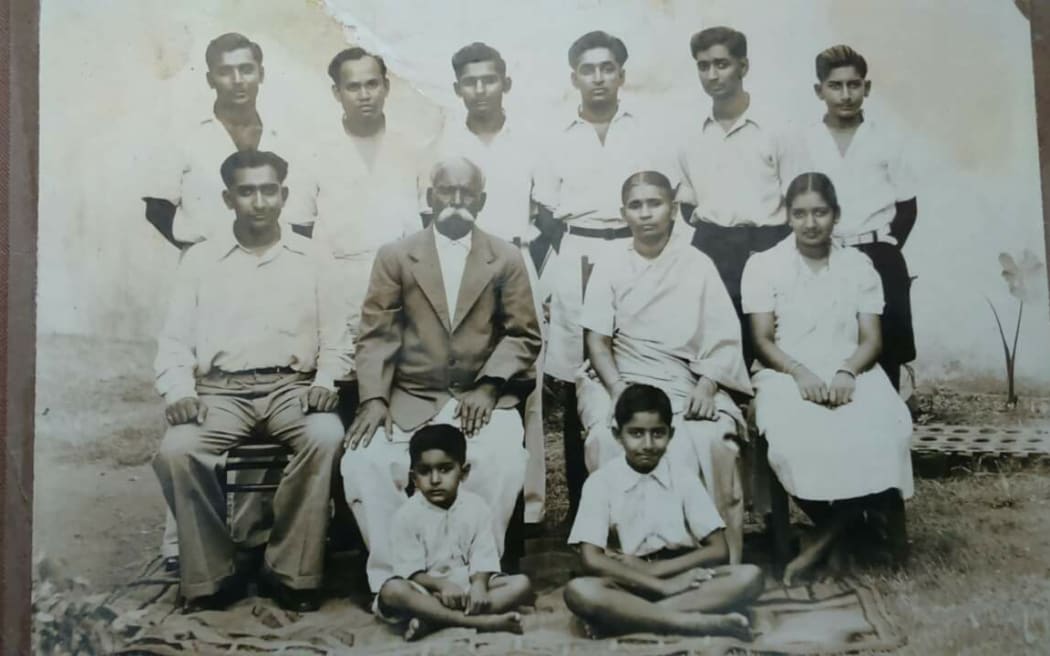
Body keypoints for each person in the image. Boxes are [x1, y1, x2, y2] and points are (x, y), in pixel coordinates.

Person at [151, 150, 351, 612]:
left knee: (325, 436)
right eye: (246, 191)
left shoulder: (313, 256)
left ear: (284, 194)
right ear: (228, 198)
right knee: (177, 451)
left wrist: (325, 380)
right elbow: (175, 341)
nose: (258, 201)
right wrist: (180, 393)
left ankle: (290, 570)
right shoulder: (201, 259)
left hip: (292, 389)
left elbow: (337, 337)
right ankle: (214, 573)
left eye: (268, 190)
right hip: (221, 393)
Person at [145, 33, 309, 568]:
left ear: (261, 73)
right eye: (225, 70)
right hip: (210, 274)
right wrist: (210, 255)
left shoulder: (283, 133)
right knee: (197, 400)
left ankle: (256, 535)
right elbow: (157, 206)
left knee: (264, 381)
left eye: (247, 69)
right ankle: (184, 546)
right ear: (210, 77)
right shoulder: (184, 135)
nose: (237, 80)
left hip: (271, 266)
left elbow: (298, 209)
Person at [341, 156, 541, 594]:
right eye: (446, 191)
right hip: (410, 395)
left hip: (479, 398)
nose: (456, 201)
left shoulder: (505, 257)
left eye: (466, 193)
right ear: (429, 197)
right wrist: (374, 398)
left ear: (481, 200)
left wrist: (489, 387)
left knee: (502, 460)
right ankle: (400, 580)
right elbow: (375, 335)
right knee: (365, 460)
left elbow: (523, 335)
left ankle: (476, 574)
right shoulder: (395, 256)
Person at [741, 172, 914, 585]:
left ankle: (824, 539)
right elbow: (762, 340)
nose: (811, 223)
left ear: (836, 215)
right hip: (784, 372)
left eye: (820, 212)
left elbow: (872, 339)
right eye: (800, 214)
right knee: (798, 433)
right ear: (788, 216)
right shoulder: (764, 265)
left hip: (854, 369)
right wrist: (800, 373)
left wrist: (846, 371)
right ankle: (850, 531)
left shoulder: (859, 265)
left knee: (884, 427)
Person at [576, 171, 752, 562]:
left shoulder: (696, 263)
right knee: (608, 439)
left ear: (673, 209)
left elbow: (723, 336)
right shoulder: (610, 262)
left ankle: (715, 558)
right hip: (620, 376)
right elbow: (597, 342)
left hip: (685, 379)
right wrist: (619, 389)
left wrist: (707, 386)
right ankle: (627, 557)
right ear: (624, 213)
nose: (645, 214)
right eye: (636, 206)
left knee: (713, 440)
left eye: (654, 204)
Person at [426, 41, 548, 524]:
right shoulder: (442, 142)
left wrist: (519, 261)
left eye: (489, 79)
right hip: (457, 264)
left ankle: (529, 508)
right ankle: (460, 502)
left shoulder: (529, 140)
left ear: (505, 83)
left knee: (526, 383)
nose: (480, 90)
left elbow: (550, 214)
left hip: (514, 263)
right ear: (457, 88)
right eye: (470, 82)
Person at [532, 30, 676, 386]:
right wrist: (574, 248)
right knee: (577, 359)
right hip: (579, 251)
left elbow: (666, 197)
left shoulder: (648, 131)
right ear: (574, 78)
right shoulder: (555, 136)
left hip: (637, 248)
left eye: (607, 68)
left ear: (621, 76)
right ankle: (576, 440)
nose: (598, 78)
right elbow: (547, 209)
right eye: (587, 69)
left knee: (636, 343)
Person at [564, 384, 763, 639]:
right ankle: (691, 623)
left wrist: (661, 573)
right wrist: (658, 584)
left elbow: (719, 549)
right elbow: (591, 559)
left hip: (682, 578)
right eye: (636, 434)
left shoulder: (684, 478)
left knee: (749, 576)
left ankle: (625, 620)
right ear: (617, 435)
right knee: (579, 591)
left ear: (671, 434)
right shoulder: (601, 482)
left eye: (658, 434)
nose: (647, 444)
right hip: (627, 581)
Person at [787, 45, 918, 390]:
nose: (846, 95)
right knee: (827, 340)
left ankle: (889, 418)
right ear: (819, 90)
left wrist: (885, 246)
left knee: (884, 349)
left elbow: (907, 205)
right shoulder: (803, 141)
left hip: (877, 254)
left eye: (854, 85)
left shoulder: (888, 138)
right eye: (835, 86)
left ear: (867, 88)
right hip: (823, 254)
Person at [676, 26, 793, 364]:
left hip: (766, 244)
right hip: (713, 246)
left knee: (768, 341)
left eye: (721, 64)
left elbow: (798, 196)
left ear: (743, 66)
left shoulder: (777, 127)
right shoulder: (690, 132)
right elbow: (687, 202)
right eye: (703, 66)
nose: (712, 75)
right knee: (715, 343)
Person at [297, 47, 430, 339]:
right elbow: (299, 228)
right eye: (353, 87)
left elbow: (429, 220)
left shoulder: (414, 147)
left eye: (372, 84)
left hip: (404, 288)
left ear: (386, 86)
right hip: (339, 289)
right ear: (337, 92)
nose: (364, 94)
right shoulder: (315, 150)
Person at [375, 425, 534, 641]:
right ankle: (480, 621)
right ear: (413, 477)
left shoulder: (477, 508)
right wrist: (441, 585)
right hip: (425, 589)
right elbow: (410, 570)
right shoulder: (407, 515)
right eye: (425, 471)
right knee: (393, 590)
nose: (435, 480)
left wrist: (478, 586)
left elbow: (483, 554)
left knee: (520, 584)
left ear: (464, 471)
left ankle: (433, 621)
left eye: (445, 469)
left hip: (466, 586)